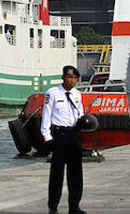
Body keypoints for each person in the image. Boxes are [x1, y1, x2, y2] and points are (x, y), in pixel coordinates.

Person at [41, 65, 86, 214]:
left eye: (75, 78)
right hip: (59, 135)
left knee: (76, 173)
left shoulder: (77, 94)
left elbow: (80, 112)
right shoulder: (52, 93)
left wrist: (82, 122)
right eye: (70, 77)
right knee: (57, 173)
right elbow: (46, 116)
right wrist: (47, 137)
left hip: (74, 134)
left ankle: (74, 206)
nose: (72, 81)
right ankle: (53, 206)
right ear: (63, 78)